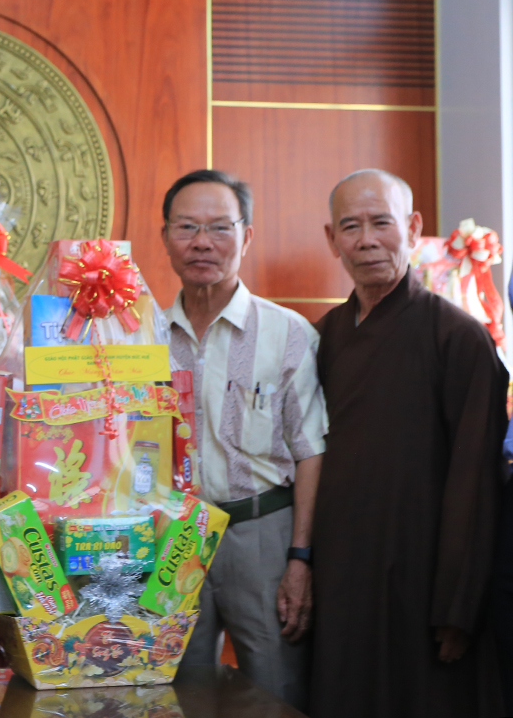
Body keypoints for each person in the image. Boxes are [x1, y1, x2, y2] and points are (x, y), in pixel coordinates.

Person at [312, 169, 508, 718]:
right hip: (343, 570)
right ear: (332, 239)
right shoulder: (323, 336)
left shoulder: (458, 337)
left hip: (424, 576)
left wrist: (457, 605)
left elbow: (475, 480)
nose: (367, 240)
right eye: (350, 227)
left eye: (382, 223)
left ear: (414, 227)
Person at [163, 170, 325, 709]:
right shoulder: (143, 337)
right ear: (165, 237)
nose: (202, 242)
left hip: (263, 535)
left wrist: (300, 557)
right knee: (176, 691)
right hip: (173, 537)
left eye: (219, 227)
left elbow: (311, 452)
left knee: (276, 690)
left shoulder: (288, 333)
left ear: (246, 236)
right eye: (187, 226)